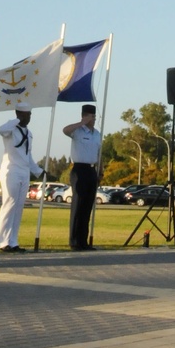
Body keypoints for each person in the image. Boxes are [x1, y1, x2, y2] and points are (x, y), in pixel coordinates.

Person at [0, 105, 43, 251]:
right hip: (11, 170)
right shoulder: (11, 129)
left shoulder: (29, 133)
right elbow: (1, 130)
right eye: (25, 114)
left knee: (19, 207)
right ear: (19, 114)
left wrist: (38, 171)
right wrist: (16, 119)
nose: (28, 117)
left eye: (29, 114)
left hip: (24, 171)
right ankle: (2, 241)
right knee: (9, 203)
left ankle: (13, 240)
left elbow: (28, 156)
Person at [63, 102, 101, 251]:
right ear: (85, 116)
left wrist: (100, 171)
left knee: (87, 207)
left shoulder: (96, 134)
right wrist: (81, 123)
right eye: (91, 116)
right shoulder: (77, 131)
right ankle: (74, 241)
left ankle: (83, 241)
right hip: (79, 169)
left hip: (92, 170)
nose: (93, 119)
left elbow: (99, 153)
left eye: (94, 116)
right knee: (78, 205)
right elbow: (65, 130)